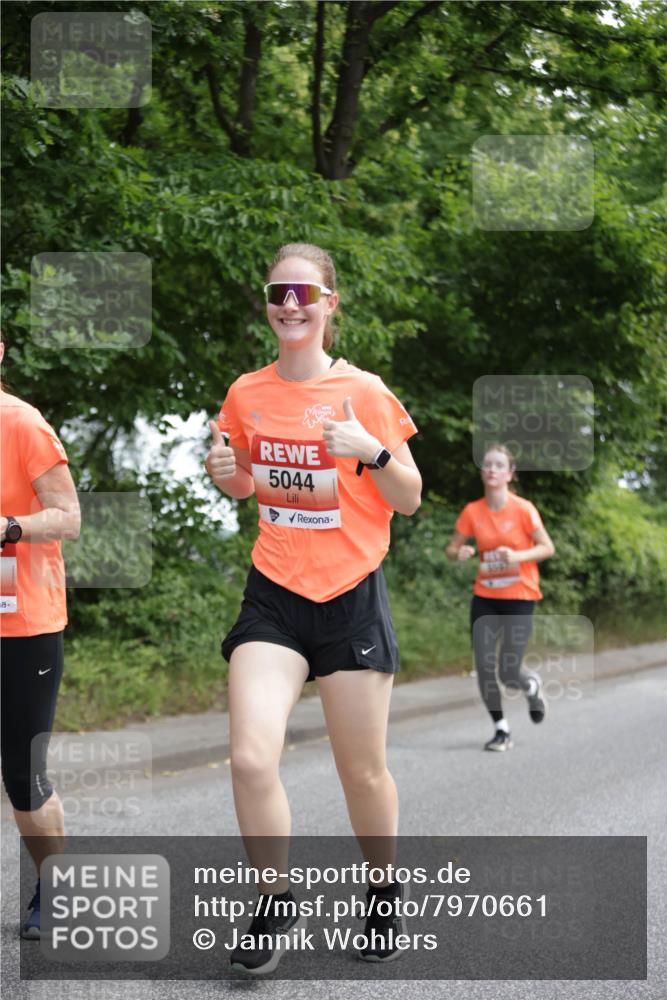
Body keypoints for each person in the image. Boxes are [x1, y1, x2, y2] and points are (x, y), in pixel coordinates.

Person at [205, 243, 421, 974]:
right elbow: (240, 486)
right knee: (247, 757)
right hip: (275, 593)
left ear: (331, 303)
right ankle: (273, 901)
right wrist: (225, 472)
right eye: (277, 292)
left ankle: (383, 891)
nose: (289, 305)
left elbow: (410, 496)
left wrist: (372, 452)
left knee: (360, 772)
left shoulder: (365, 391)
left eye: (305, 293)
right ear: (267, 303)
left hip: (351, 596)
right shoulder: (246, 392)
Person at [0, 337, 80, 938]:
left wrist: (8, 525)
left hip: (21, 623)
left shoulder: (22, 423)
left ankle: (53, 887)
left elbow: (68, 516)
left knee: (23, 776)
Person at [445, 444, 555, 752]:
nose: (491, 469)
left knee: (509, 671)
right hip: (486, 596)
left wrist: (517, 556)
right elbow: (452, 549)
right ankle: (501, 729)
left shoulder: (523, 509)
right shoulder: (472, 511)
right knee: (484, 664)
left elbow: (548, 547)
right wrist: (461, 552)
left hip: (519, 596)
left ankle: (530, 685)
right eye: (487, 464)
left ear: (509, 474)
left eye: (498, 465)